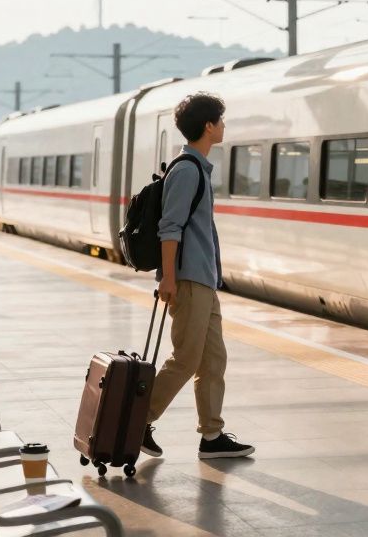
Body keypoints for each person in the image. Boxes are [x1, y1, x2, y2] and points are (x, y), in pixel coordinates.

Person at [140, 92, 254, 460]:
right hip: (188, 280)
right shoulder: (187, 170)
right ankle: (137, 420)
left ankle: (212, 436)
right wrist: (168, 279)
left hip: (204, 279)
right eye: (220, 120)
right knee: (186, 359)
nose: (223, 126)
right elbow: (169, 227)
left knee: (213, 359)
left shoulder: (197, 168)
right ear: (208, 126)